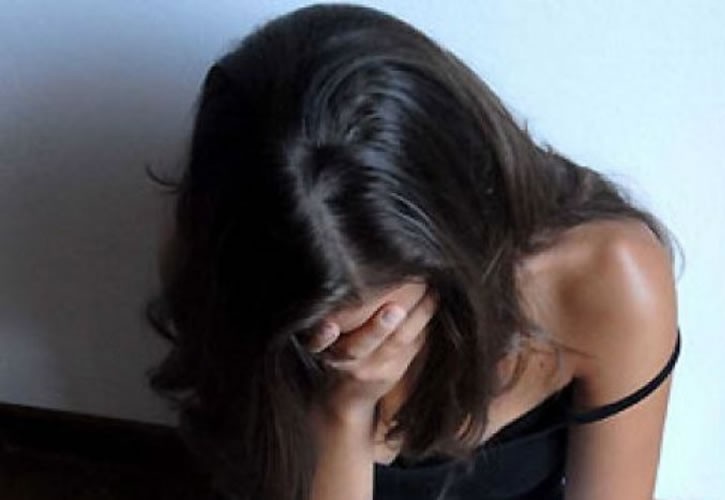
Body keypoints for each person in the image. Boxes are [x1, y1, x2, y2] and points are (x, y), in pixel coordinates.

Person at [144, 3, 683, 500]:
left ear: (453, 237)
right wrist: (344, 409)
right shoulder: (221, 266)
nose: (341, 339)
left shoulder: (607, 276)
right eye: (314, 332)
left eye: (372, 313)